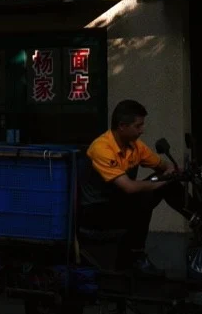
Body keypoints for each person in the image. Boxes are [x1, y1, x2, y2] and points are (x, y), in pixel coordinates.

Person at [80, 99, 186, 276]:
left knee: (167, 186)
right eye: (138, 126)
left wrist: (178, 171)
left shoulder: (135, 146)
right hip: (96, 211)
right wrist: (163, 181)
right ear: (122, 126)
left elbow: (162, 165)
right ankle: (136, 256)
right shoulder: (102, 148)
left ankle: (201, 223)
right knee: (145, 194)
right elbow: (129, 187)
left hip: (119, 202)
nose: (142, 130)